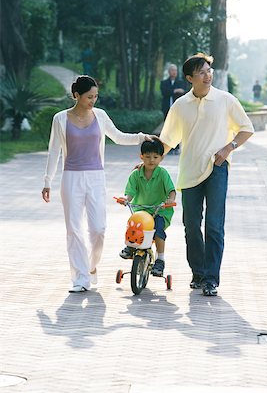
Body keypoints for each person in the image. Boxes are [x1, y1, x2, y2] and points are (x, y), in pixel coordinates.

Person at [42, 75, 151, 293]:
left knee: (98, 229)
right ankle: (80, 278)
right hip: (71, 177)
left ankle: (91, 267)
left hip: (96, 178)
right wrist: (47, 182)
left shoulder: (100, 116)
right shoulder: (60, 119)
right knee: (74, 229)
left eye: (95, 96)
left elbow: (118, 137)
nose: (93, 100)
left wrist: (141, 138)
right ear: (76, 95)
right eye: (89, 97)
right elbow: (54, 151)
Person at [160, 53, 254, 296]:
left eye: (209, 71)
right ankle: (198, 273)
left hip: (217, 168)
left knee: (214, 225)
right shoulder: (180, 105)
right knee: (191, 226)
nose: (207, 75)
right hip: (190, 171)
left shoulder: (225, 100)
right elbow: (167, 140)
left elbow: (246, 129)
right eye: (201, 72)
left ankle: (211, 278)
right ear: (190, 78)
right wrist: (149, 163)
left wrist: (228, 147)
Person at [118, 139, 176, 277]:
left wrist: (170, 200)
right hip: (142, 211)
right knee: (133, 225)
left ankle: (160, 259)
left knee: (158, 231)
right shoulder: (136, 174)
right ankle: (131, 246)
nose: (151, 160)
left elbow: (172, 191)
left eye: (156, 157)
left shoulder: (162, 174)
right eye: (148, 157)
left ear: (161, 158)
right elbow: (130, 192)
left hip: (160, 211)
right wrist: (126, 199)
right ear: (141, 157)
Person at [160, 64, 186, 154]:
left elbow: (183, 92)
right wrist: (175, 91)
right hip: (166, 108)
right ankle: (168, 148)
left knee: (177, 127)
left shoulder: (180, 82)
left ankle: (176, 147)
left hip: (177, 109)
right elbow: (165, 92)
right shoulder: (164, 82)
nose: (174, 72)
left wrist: (172, 91)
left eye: (175, 70)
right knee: (167, 128)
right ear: (169, 72)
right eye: (172, 70)